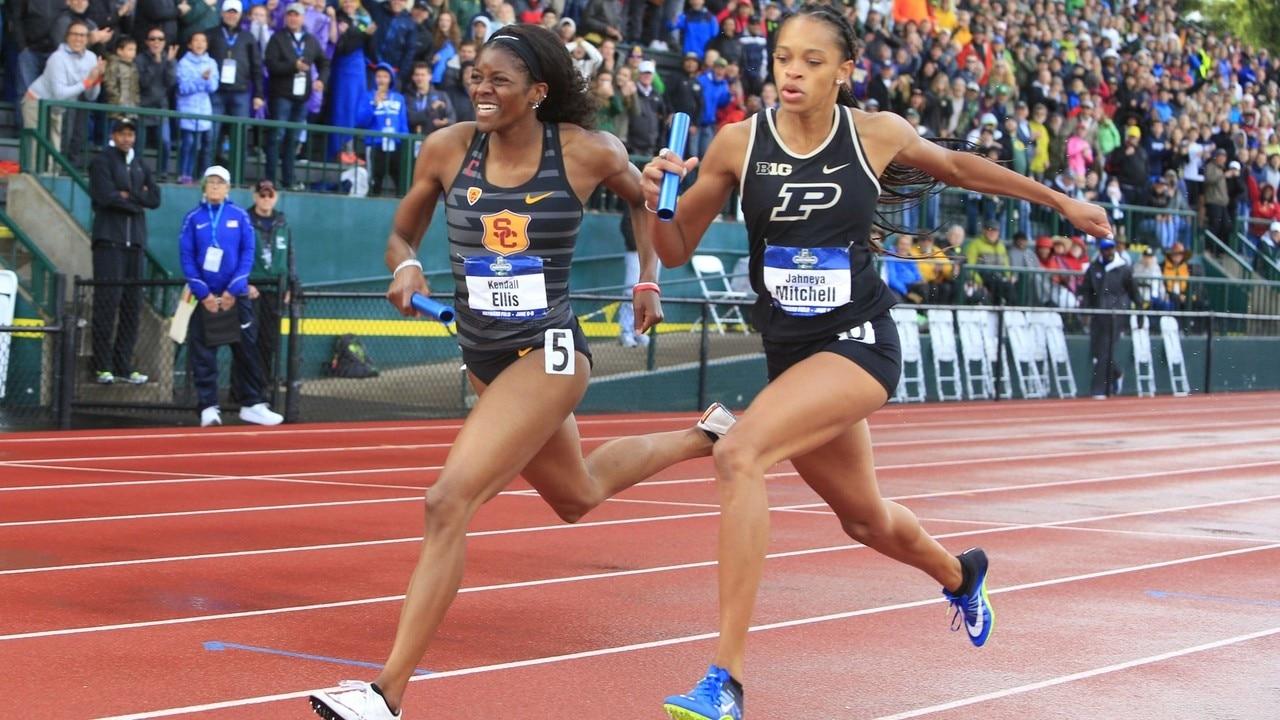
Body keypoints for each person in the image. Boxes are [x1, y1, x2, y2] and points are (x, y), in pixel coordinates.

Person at [639, 6, 1110, 718]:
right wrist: (659, 201)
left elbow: (957, 167)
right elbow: (674, 250)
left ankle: (725, 681)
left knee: (738, 453)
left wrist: (1060, 200)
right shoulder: (738, 143)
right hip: (791, 354)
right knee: (863, 519)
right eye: (784, 58)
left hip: (859, 342)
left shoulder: (874, 134)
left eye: (812, 61)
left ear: (844, 71)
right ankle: (961, 574)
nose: (793, 72)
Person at [307, 25, 736, 720]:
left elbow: (643, 201)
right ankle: (706, 437)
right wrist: (407, 265)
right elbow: (401, 233)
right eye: (477, 76)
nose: (482, 88)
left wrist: (647, 278)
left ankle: (385, 693)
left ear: (537, 91)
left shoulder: (588, 150)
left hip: (551, 349)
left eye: (499, 80)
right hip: (484, 353)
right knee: (576, 495)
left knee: (447, 501)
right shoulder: (446, 149)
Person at [178, 165, 285, 428]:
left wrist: (233, 290)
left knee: (247, 350)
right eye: (211, 182)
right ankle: (208, 407)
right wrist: (203, 293)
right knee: (204, 353)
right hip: (204, 297)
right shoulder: (193, 218)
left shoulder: (239, 216)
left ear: (228, 188)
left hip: (236, 296)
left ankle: (252, 404)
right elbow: (187, 258)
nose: (215, 186)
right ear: (204, 186)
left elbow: (248, 253)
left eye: (220, 182)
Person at [88, 117, 162, 386]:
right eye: (122, 133)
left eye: (130, 134)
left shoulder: (141, 163)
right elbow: (105, 196)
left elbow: (155, 198)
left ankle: (123, 364)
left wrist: (127, 195)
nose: (126, 138)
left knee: (132, 307)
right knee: (107, 304)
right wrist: (135, 200)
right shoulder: (101, 161)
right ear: (113, 135)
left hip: (136, 245)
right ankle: (101, 365)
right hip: (110, 243)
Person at [264, 2, 329, 190]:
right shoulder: (277, 38)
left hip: (302, 97)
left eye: (296, 15)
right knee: (277, 136)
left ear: (302, 18)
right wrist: (293, 66)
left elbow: (324, 62)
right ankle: (270, 179)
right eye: (290, 15)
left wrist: (321, 80)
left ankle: (289, 179)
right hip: (281, 95)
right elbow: (271, 65)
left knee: (293, 139)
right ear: (285, 18)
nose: (293, 18)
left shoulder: (310, 40)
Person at [21, 21, 105, 157]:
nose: (78, 38)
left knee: (53, 154)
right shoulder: (57, 58)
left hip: (57, 109)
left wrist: (96, 80)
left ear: (87, 39)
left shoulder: (91, 58)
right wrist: (87, 82)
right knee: (36, 153)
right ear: (67, 37)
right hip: (36, 103)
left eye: (82, 35)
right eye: (74, 34)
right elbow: (59, 94)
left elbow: (91, 96)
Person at [243, 178, 294, 390]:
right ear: (255, 196)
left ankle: (263, 388)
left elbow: (290, 257)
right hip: (250, 291)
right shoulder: (244, 221)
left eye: (269, 194)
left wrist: (290, 285)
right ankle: (242, 390)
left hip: (275, 290)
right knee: (247, 341)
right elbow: (236, 256)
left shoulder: (283, 224)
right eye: (262, 194)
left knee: (268, 342)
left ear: (276, 197)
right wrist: (243, 284)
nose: (266, 199)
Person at [1077, 237, 1140, 400]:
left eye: (1111, 248)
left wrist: (1140, 312)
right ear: (1100, 250)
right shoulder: (1093, 268)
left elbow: (1134, 292)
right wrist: (1085, 311)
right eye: (1106, 249)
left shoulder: (1124, 269)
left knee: (1105, 350)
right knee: (1097, 350)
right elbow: (1086, 290)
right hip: (1098, 314)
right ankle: (1116, 374)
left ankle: (1099, 389)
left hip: (1116, 315)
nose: (1109, 251)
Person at [357, 62, 409, 196]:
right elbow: (361, 121)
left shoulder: (399, 98)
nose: (381, 80)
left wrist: (403, 142)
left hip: (395, 145)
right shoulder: (367, 96)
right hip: (375, 144)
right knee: (375, 182)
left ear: (391, 79)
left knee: (401, 183)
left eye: (385, 76)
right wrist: (374, 104)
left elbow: (403, 123)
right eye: (378, 76)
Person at [175, 31, 219, 184]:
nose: (199, 44)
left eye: (203, 41)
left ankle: (193, 176)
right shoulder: (183, 63)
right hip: (187, 108)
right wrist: (201, 79)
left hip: (204, 109)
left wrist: (206, 80)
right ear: (189, 44)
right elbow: (183, 88)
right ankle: (183, 174)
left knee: (199, 145)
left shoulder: (211, 63)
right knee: (187, 143)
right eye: (196, 40)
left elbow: (213, 87)